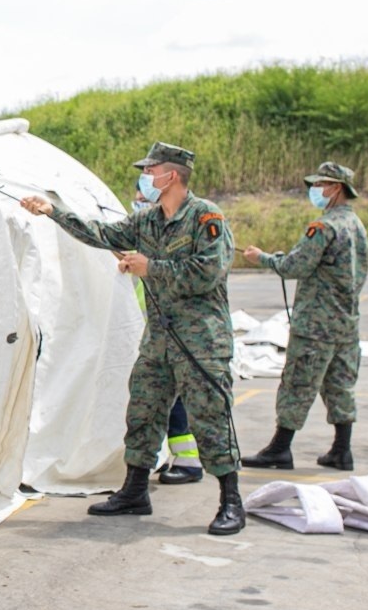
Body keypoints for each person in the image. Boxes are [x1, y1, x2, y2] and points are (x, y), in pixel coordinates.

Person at [21, 142, 243, 535]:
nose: (145, 177)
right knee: (143, 412)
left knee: (210, 417)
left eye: (150, 170)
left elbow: (210, 271)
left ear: (170, 175)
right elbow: (103, 234)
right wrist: (52, 212)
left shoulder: (206, 216)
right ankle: (135, 491)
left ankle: (231, 501)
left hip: (201, 341)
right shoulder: (149, 221)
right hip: (159, 339)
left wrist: (149, 267)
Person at [241, 162, 368, 471]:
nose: (315, 190)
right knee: (340, 384)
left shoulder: (323, 227)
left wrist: (263, 258)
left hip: (315, 324)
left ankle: (279, 449)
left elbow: (294, 267)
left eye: (320, 184)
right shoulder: (356, 225)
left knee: (298, 383)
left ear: (336, 187)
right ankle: (341, 450)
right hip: (345, 322)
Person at [132, 184, 204, 486]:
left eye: (140, 199)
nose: (137, 203)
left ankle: (189, 462)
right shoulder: (148, 227)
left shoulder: (187, 224)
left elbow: (196, 272)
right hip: (154, 330)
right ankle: (159, 466)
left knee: (174, 398)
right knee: (156, 399)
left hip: (174, 331)